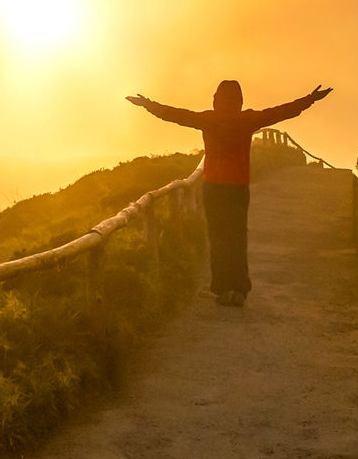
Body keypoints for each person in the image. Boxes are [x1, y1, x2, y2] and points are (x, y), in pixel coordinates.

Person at [126, 81, 333, 307]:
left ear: (217, 100)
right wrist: (309, 99)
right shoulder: (247, 120)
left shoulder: (208, 119)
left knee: (219, 239)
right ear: (239, 101)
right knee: (237, 238)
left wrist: (148, 104)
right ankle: (240, 289)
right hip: (238, 188)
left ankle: (223, 289)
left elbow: (175, 114)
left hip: (214, 187)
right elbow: (281, 112)